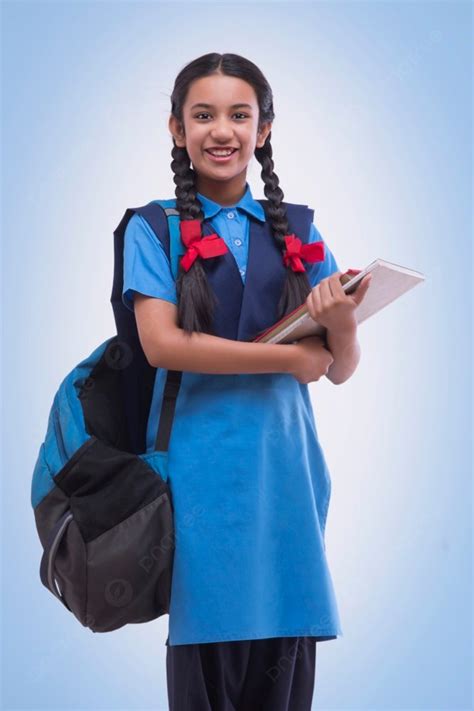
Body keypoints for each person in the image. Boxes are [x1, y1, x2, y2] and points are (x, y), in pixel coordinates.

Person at [121, 52, 371, 711]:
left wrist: (340, 324)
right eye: (203, 115)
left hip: (287, 482)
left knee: (286, 666)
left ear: (263, 130)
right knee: (209, 656)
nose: (221, 129)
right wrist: (288, 359)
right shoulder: (153, 229)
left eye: (239, 114)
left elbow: (340, 367)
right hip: (199, 484)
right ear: (176, 129)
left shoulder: (302, 232)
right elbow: (162, 343)